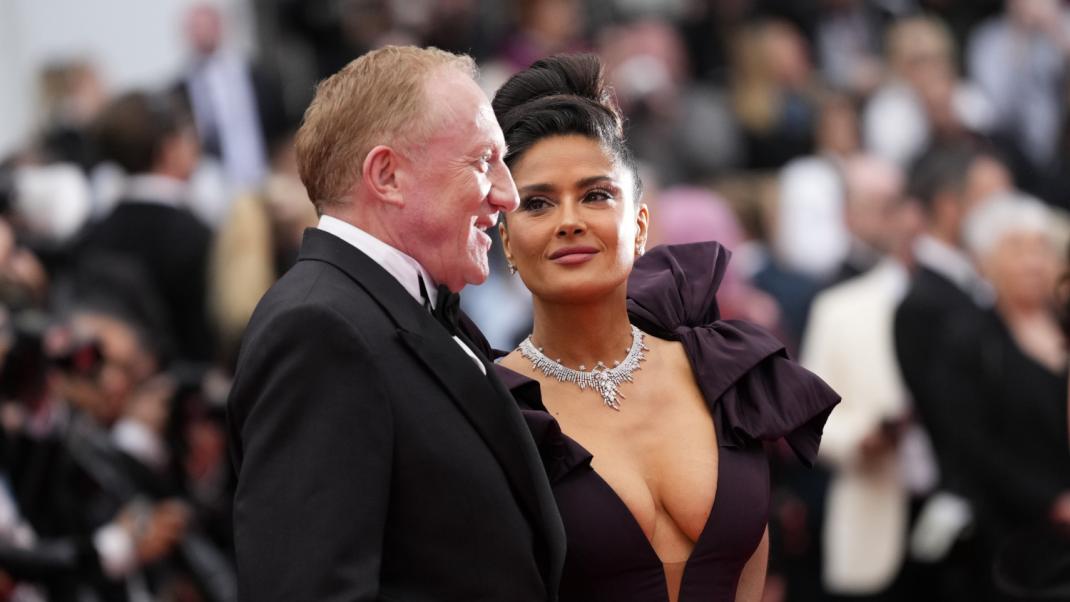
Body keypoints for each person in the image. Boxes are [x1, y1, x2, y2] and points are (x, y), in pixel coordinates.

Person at [488, 53, 840, 602]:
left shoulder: (721, 371)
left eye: (596, 195)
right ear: (507, 241)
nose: (569, 221)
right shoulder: (493, 409)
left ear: (640, 225)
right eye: (537, 203)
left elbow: (751, 568)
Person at [226, 46, 565, 601]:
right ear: (387, 175)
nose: (508, 195)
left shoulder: (404, 307)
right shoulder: (319, 330)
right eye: (483, 161)